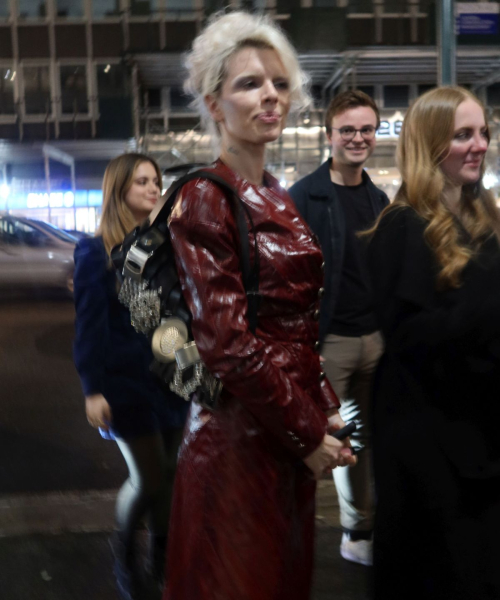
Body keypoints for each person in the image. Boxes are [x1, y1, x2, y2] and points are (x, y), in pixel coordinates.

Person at [149, 11, 357, 600]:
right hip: (236, 446)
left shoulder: (276, 196)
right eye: (249, 83)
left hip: (282, 435)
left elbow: (298, 325)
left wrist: (325, 409)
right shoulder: (203, 198)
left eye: (280, 82)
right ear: (215, 104)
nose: (270, 95)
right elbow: (229, 347)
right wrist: (308, 429)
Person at [366, 86, 500, 599]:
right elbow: (408, 340)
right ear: (429, 145)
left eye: (482, 132)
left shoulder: (483, 220)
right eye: (462, 134)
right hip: (427, 441)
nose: (479, 144)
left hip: (476, 432)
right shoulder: (401, 227)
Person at [73, 153, 189, 600]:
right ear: (119, 190)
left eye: (155, 180)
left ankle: (161, 561)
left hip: (173, 375)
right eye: (141, 181)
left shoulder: (166, 244)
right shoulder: (96, 249)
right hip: (125, 383)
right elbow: (90, 325)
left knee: (173, 473)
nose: (152, 187)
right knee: (149, 477)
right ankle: (124, 555)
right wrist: (92, 388)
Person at [288, 90, 389, 566]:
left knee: (360, 442)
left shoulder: (378, 198)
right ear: (329, 136)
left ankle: (356, 531)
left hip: (373, 339)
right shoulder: (304, 196)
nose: (357, 138)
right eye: (347, 129)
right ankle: (288, 538)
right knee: (310, 441)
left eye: (365, 129)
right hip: (327, 343)